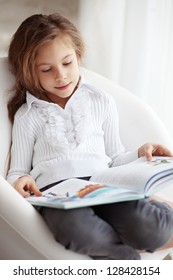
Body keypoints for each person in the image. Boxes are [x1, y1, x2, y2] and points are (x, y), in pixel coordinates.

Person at [6, 13, 173, 260]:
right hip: (58, 195)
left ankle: (156, 208)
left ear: (78, 57)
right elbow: (16, 172)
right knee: (76, 231)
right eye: (46, 69)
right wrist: (20, 181)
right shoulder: (27, 115)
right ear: (30, 72)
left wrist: (140, 153)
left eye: (67, 63)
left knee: (148, 227)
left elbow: (115, 157)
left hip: (104, 184)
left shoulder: (100, 100)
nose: (61, 76)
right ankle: (127, 260)